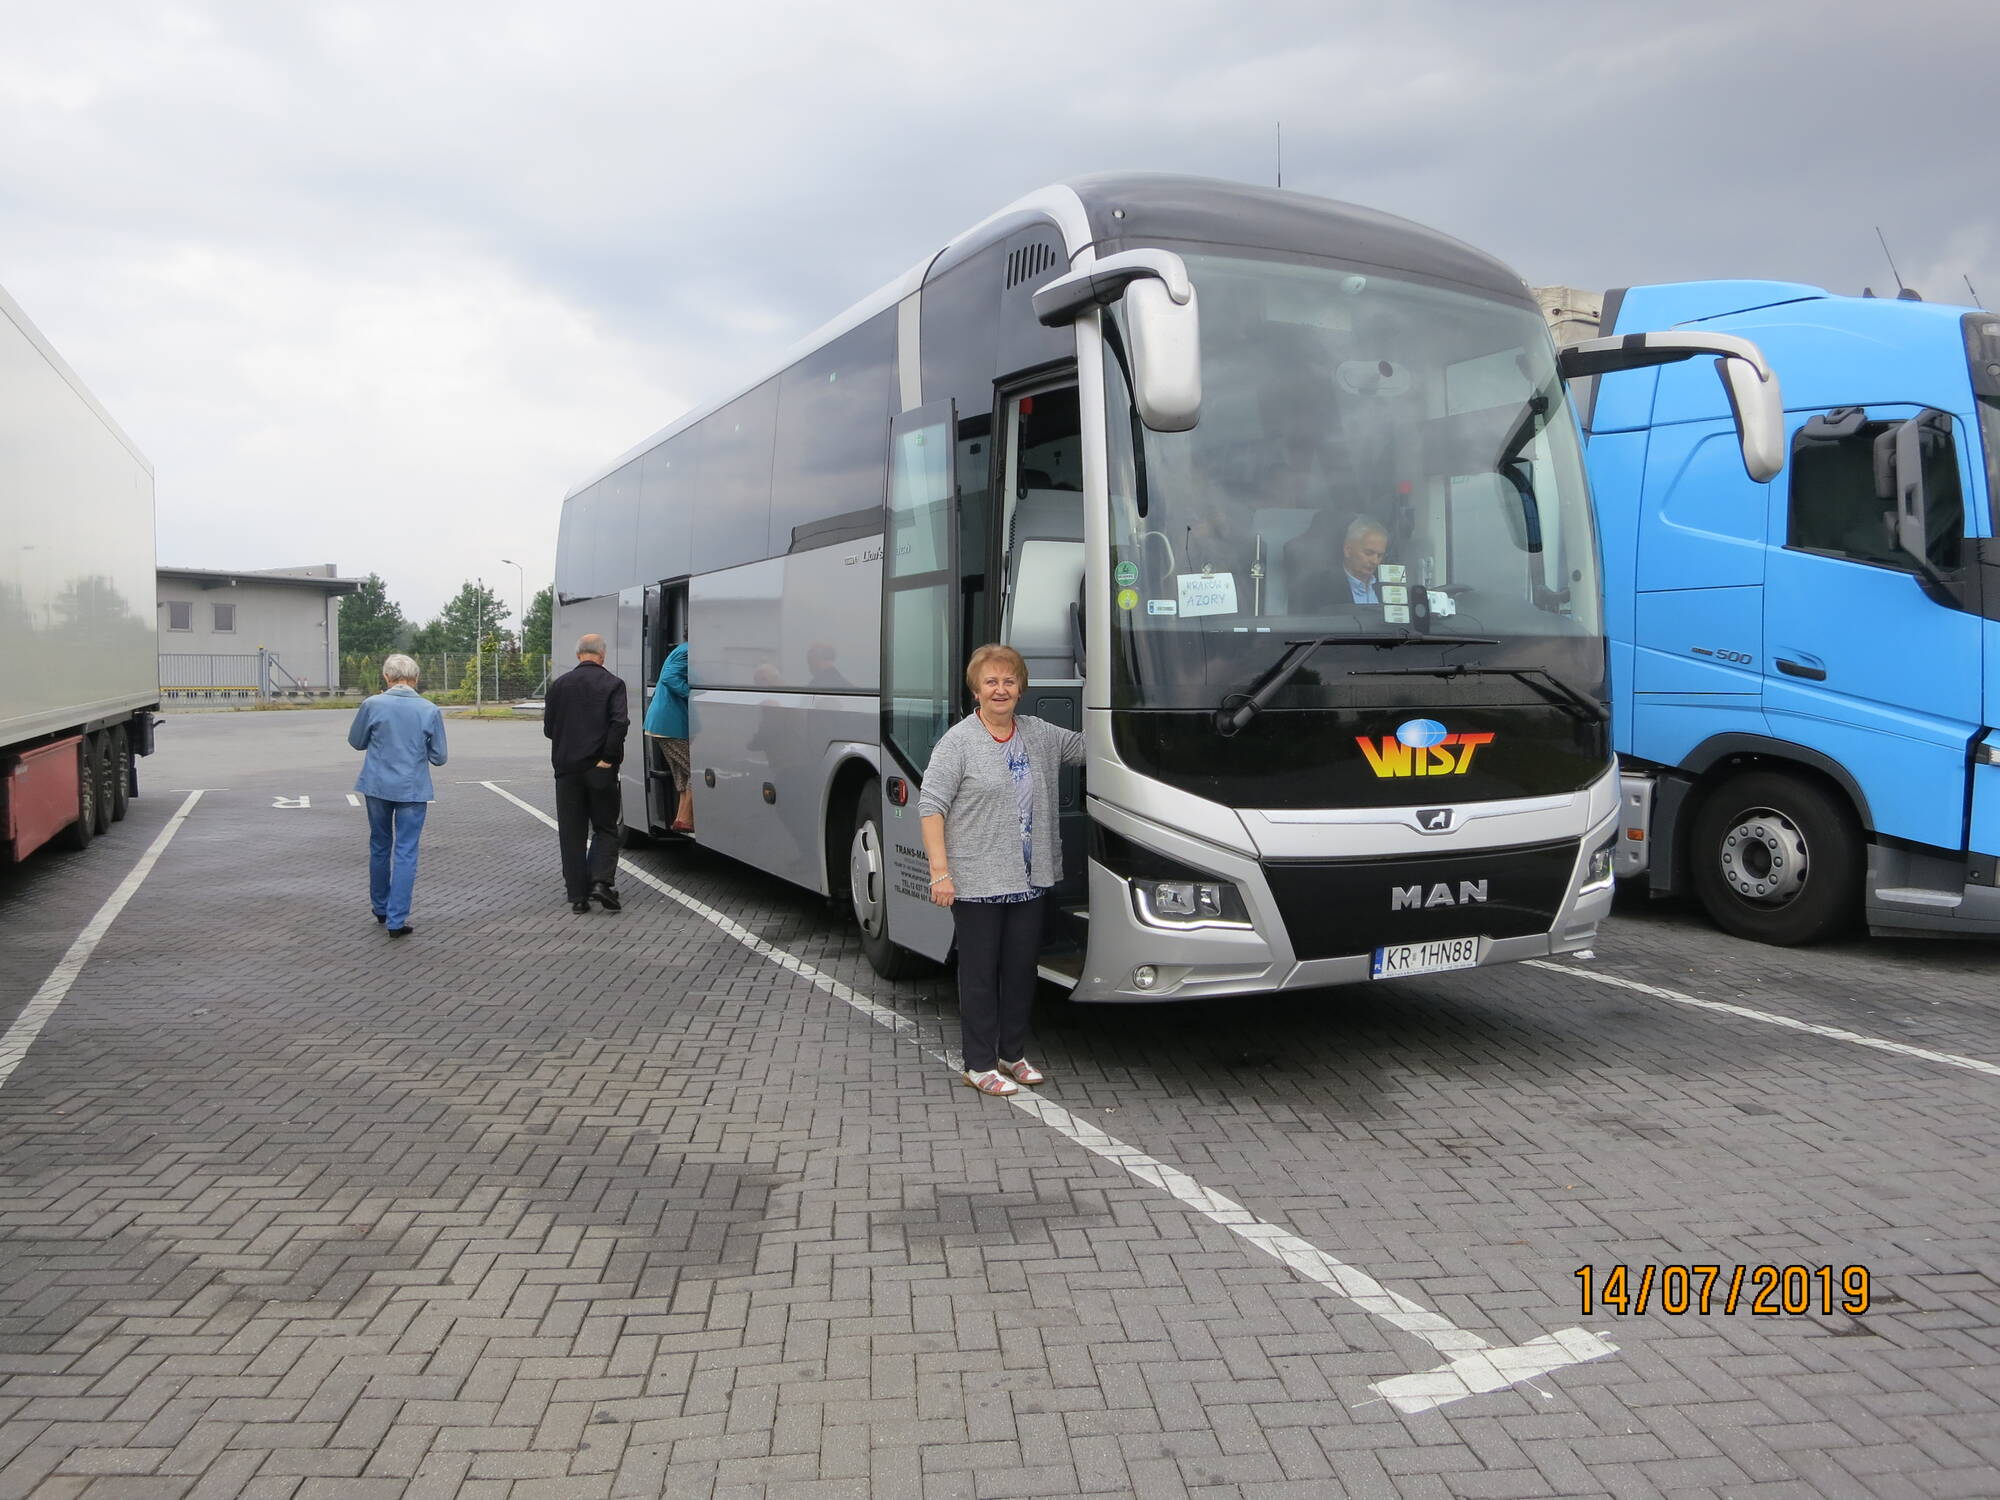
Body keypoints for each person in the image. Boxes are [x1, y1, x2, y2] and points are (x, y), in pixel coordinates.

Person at [918, 643, 1084, 1097]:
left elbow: (1090, 749)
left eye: (1009, 681)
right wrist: (940, 872)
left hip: (1029, 879)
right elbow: (930, 806)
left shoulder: (1039, 734)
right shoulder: (958, 742)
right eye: (990, 681)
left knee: (1021, 971)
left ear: (1021, 689)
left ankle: (1012, 1054)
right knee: (979, 975)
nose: (1000, 689)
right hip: (977, 881)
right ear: (976, 690)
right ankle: (978, 1063)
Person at [346, 653, 447, 937]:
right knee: (406, 851)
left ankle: (380, 906)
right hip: (412, 788)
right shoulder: (429, 709)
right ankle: (396, 919)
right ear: (416, 678)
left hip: (377, 786)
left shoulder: (372, 704)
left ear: (386, 677)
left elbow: (356, 741)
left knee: (379, 845)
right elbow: (439, 757)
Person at [543, 633, 629, 913]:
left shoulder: (559, 685)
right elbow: (619, 723)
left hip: (567, 770)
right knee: (605, 827)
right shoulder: (614, 684)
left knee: (572, 832)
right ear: (602, 655)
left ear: (578, 655)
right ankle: (601, 882)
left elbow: (549, 729)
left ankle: (577, 897)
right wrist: (608, 758)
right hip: (599, 770)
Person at [643, 641, 693, 833]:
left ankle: (681, 819)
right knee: (696, 770)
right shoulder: (688, 650)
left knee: (683, 773)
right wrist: (691, 695)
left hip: (662, 724)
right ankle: (685, 818)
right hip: (670, 724)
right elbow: (669, 677)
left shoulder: (681, 649)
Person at [1340, 515, 1390, 604]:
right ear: (1348, 550)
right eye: (1368, 553)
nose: (1375, 561)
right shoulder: (1326, 587)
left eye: (1380, 555)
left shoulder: (1388, 590)